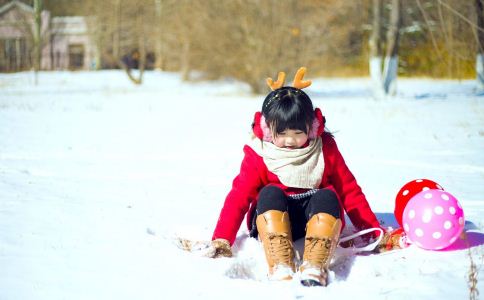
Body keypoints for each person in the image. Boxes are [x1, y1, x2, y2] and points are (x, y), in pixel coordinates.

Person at [208, 67, 395, 287]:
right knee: (269, 192)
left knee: (328, 195)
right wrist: (222, 238)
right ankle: (280, 263)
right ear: (268, 130)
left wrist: (372, 232)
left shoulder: (324, 148)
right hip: (273, 220)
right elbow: (239, 196)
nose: (290, 141)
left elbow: (349, 190)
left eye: (298, 133)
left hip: (316, 221)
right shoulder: (260, 153)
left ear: (312, 126)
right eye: (282, 134)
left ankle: (315, 263)